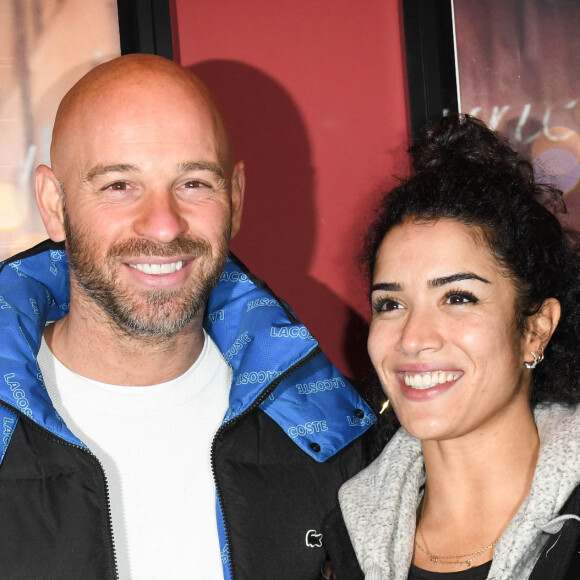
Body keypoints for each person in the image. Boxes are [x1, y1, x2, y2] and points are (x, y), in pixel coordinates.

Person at [0, 54, 374, 580]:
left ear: (236, 198)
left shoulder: (335, 434)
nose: (164, 225)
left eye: (194, 182)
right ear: (54, 202)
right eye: (118, 185)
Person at [325, 114, 580, 580]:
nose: (413, 337)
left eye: (458, 298)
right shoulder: (340, 541)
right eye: (391, 303)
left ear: (536, 329)